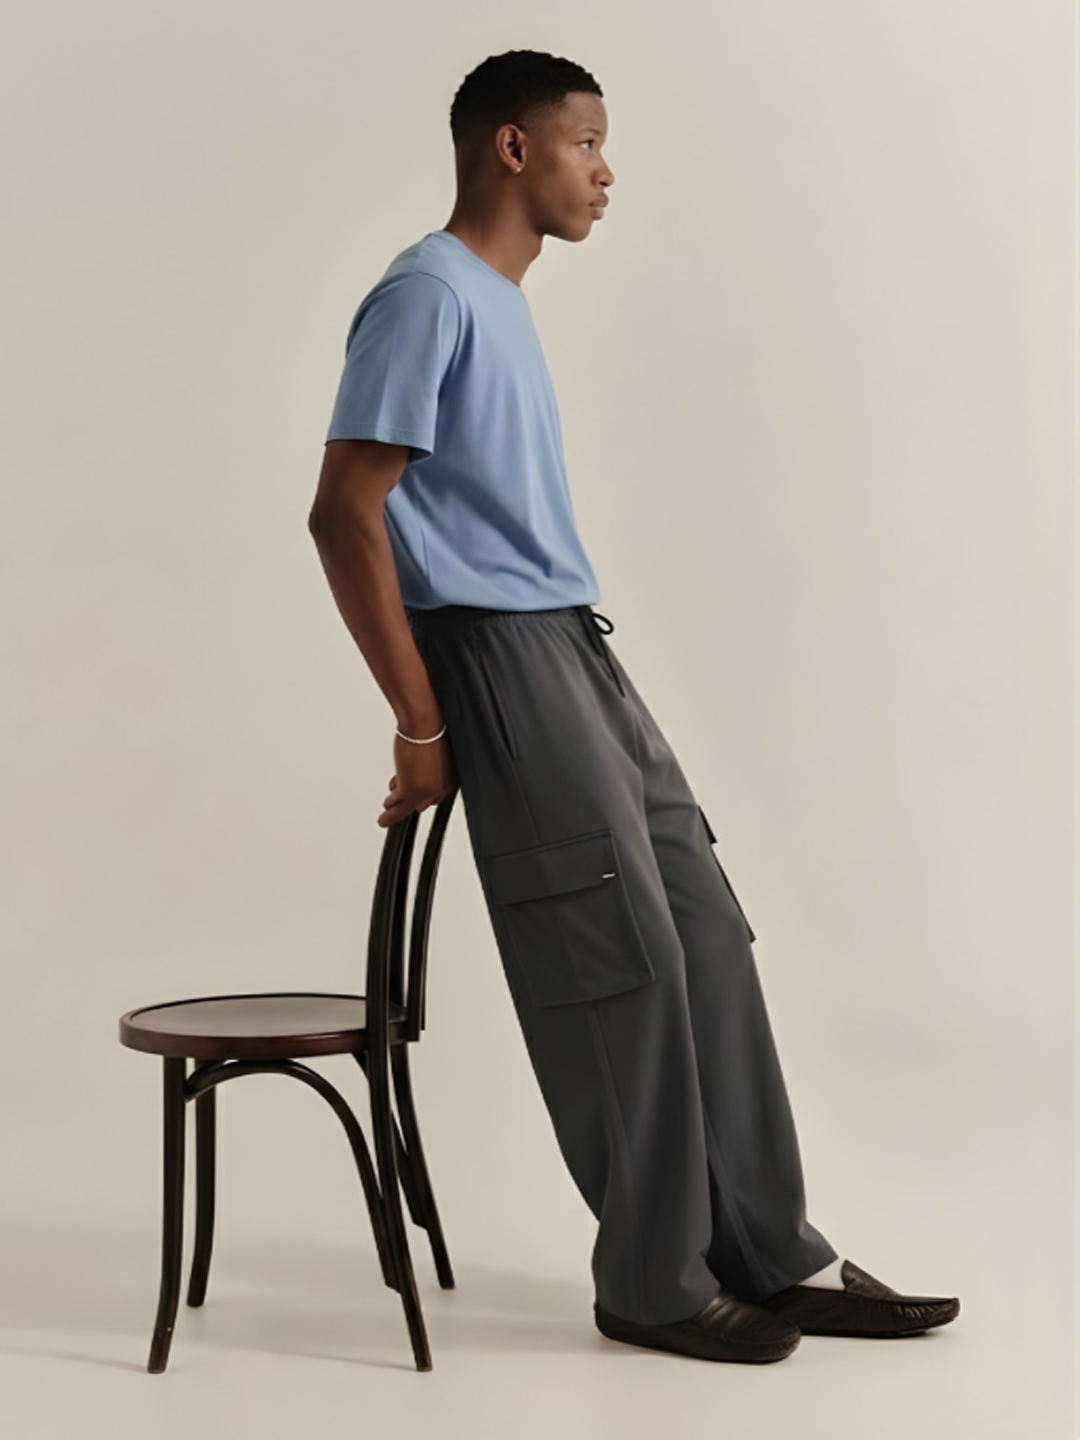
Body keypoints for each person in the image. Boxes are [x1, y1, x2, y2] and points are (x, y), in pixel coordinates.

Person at [307, 48, 960, 1365]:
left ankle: (770, 1251)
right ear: (513, 147)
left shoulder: (497, 300)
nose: (606, 172)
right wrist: (424, 725)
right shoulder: (426, 294)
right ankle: (654, 1280)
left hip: (574, 643)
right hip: (498, 653)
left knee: (707, 934)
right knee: (619, 957)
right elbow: (341, 513)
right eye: (588, 142)